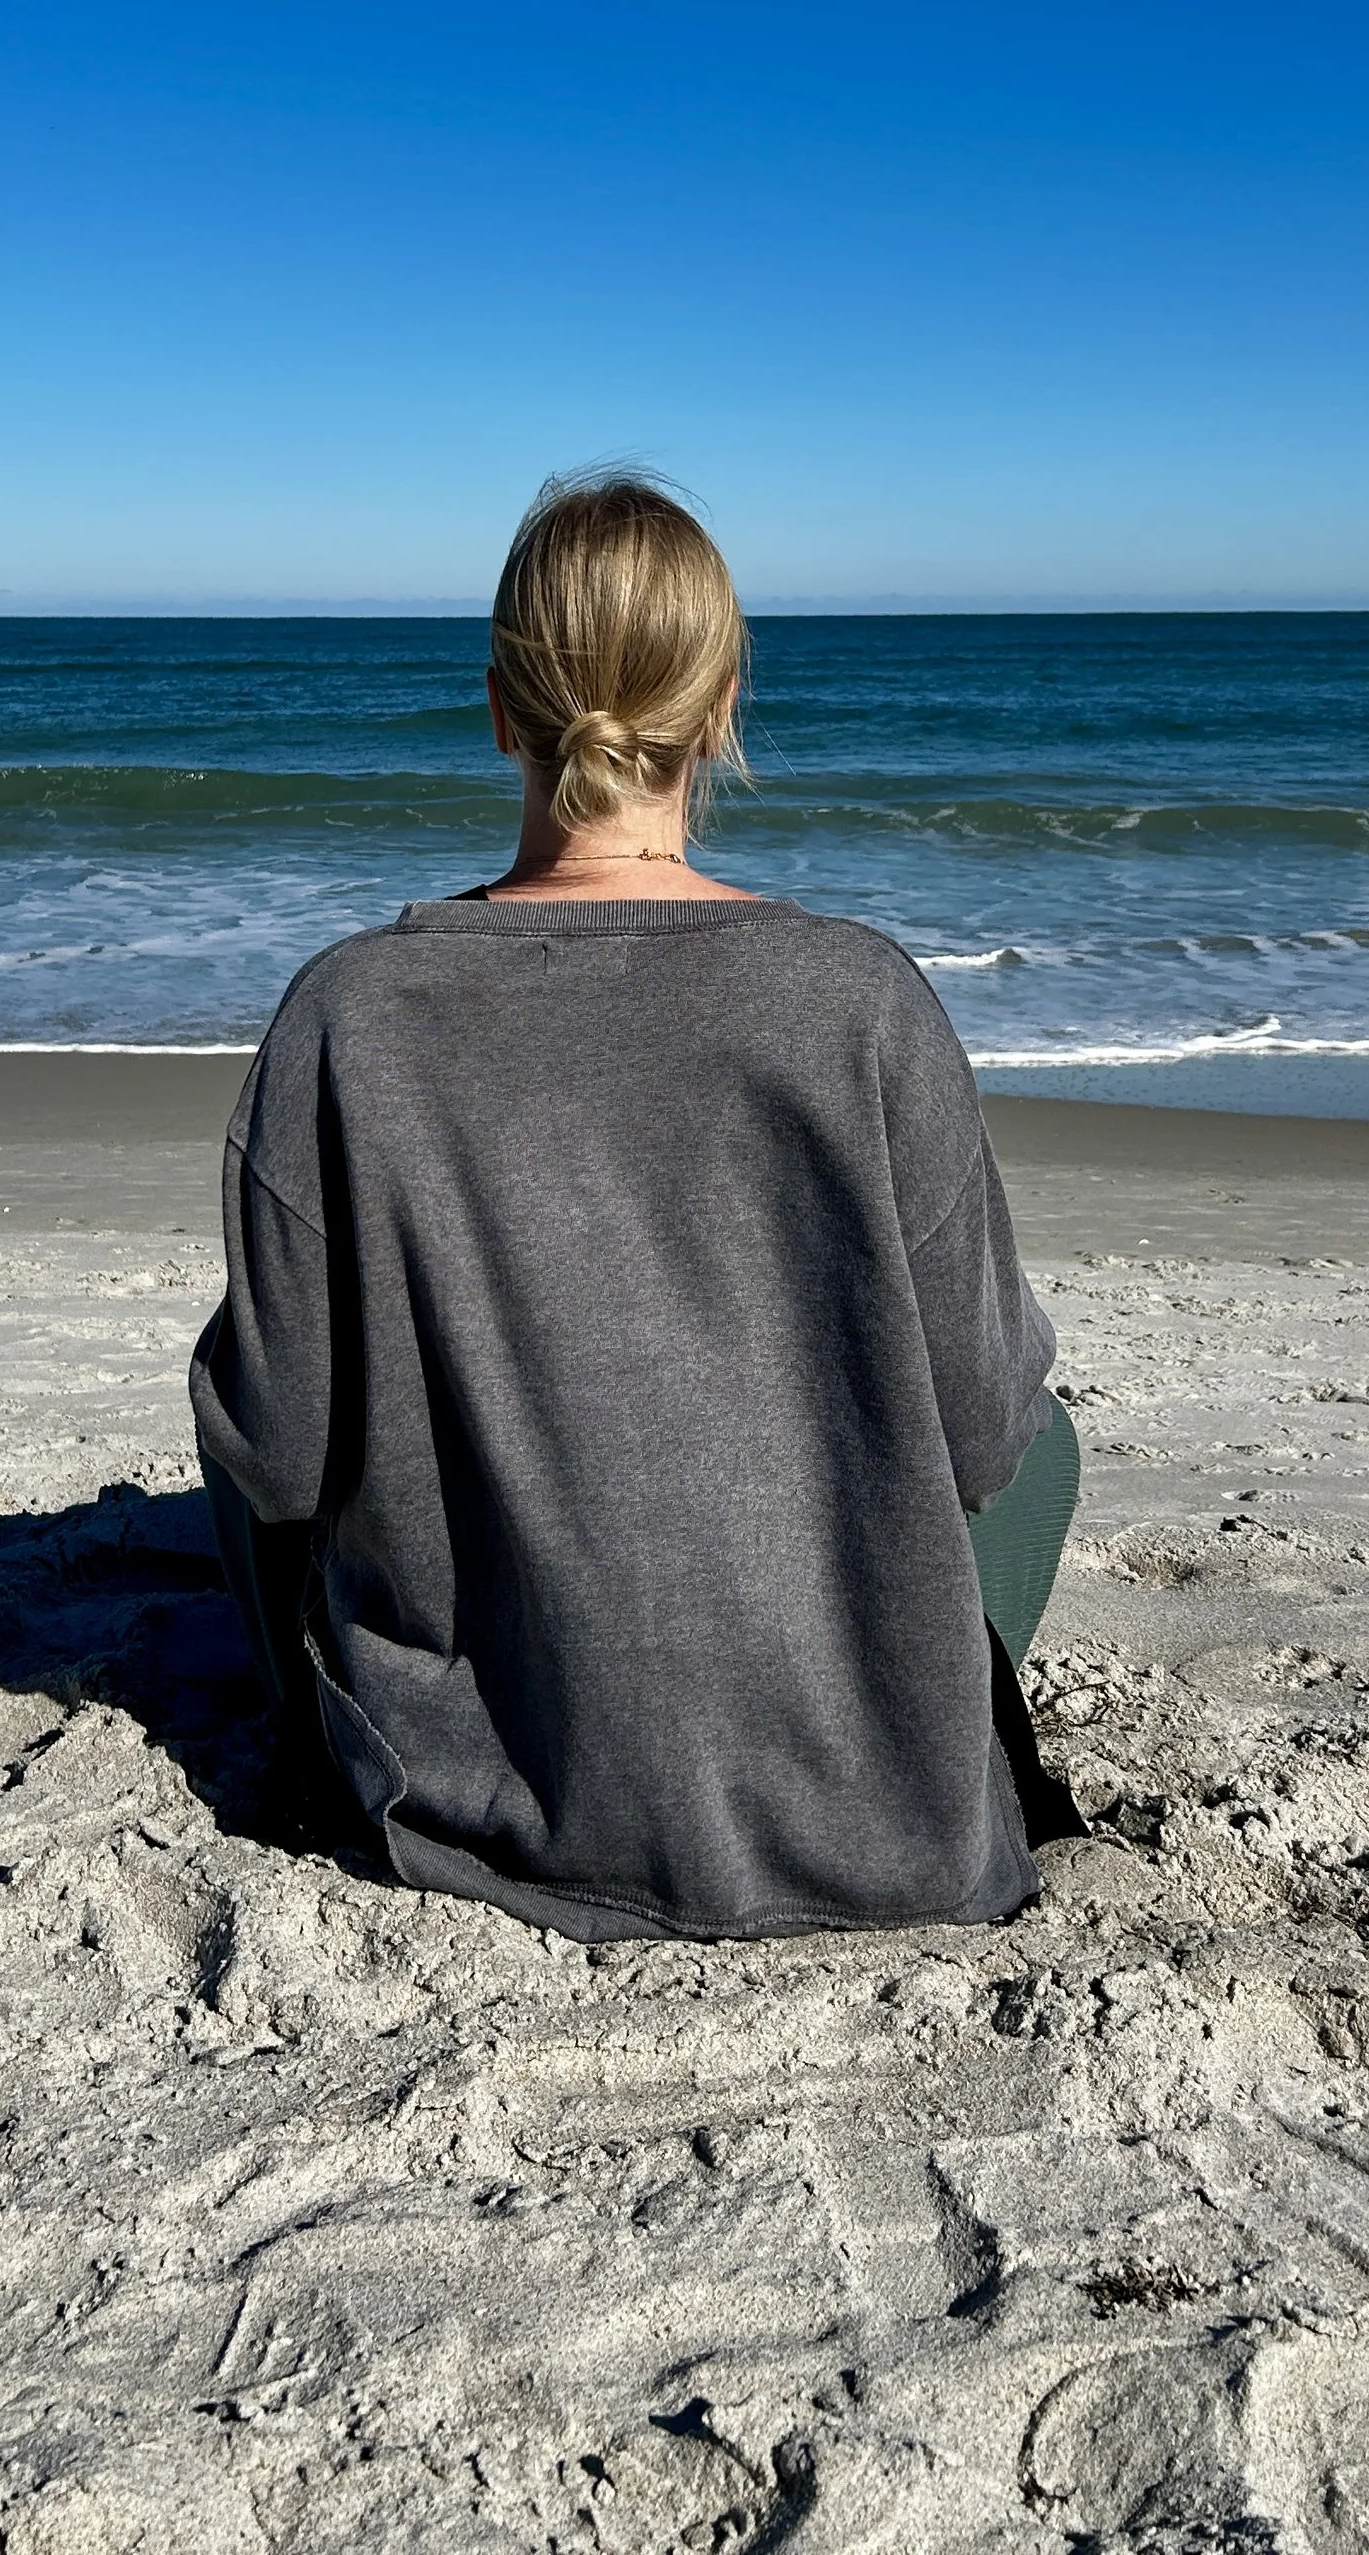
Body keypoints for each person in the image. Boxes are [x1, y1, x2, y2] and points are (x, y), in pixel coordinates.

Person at [190, 472, 1081, 1940]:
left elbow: (276, 1456)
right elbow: (987, 1429)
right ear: (723, 705)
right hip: (884, 1829)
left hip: (476, 1796)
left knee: (243, 1418)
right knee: (1046, 1439)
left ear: (498, 707)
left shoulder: (350, 1016)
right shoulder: (860, 1001)